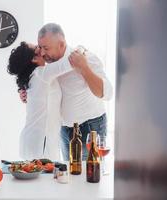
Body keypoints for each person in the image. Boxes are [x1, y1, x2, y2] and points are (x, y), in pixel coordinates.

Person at [20, 23, 113, 160]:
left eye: (46, 48)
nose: (42, 53)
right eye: (40, 47)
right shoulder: (48, 66)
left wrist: (84, 68)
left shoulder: (85, 58)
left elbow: (107, 93)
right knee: (71, 175)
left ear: (61, 44)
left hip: (89, 126)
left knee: (89, 175)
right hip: (64, 129)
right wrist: (29, 94)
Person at [7, 41, 82, 160]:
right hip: (41, 144)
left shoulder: (33, 77)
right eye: (38, 49)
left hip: (33, 141)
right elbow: (72, 61)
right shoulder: (42, 73)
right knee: (47, 177)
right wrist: (81, 48)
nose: (42, 51)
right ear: (34, 59)